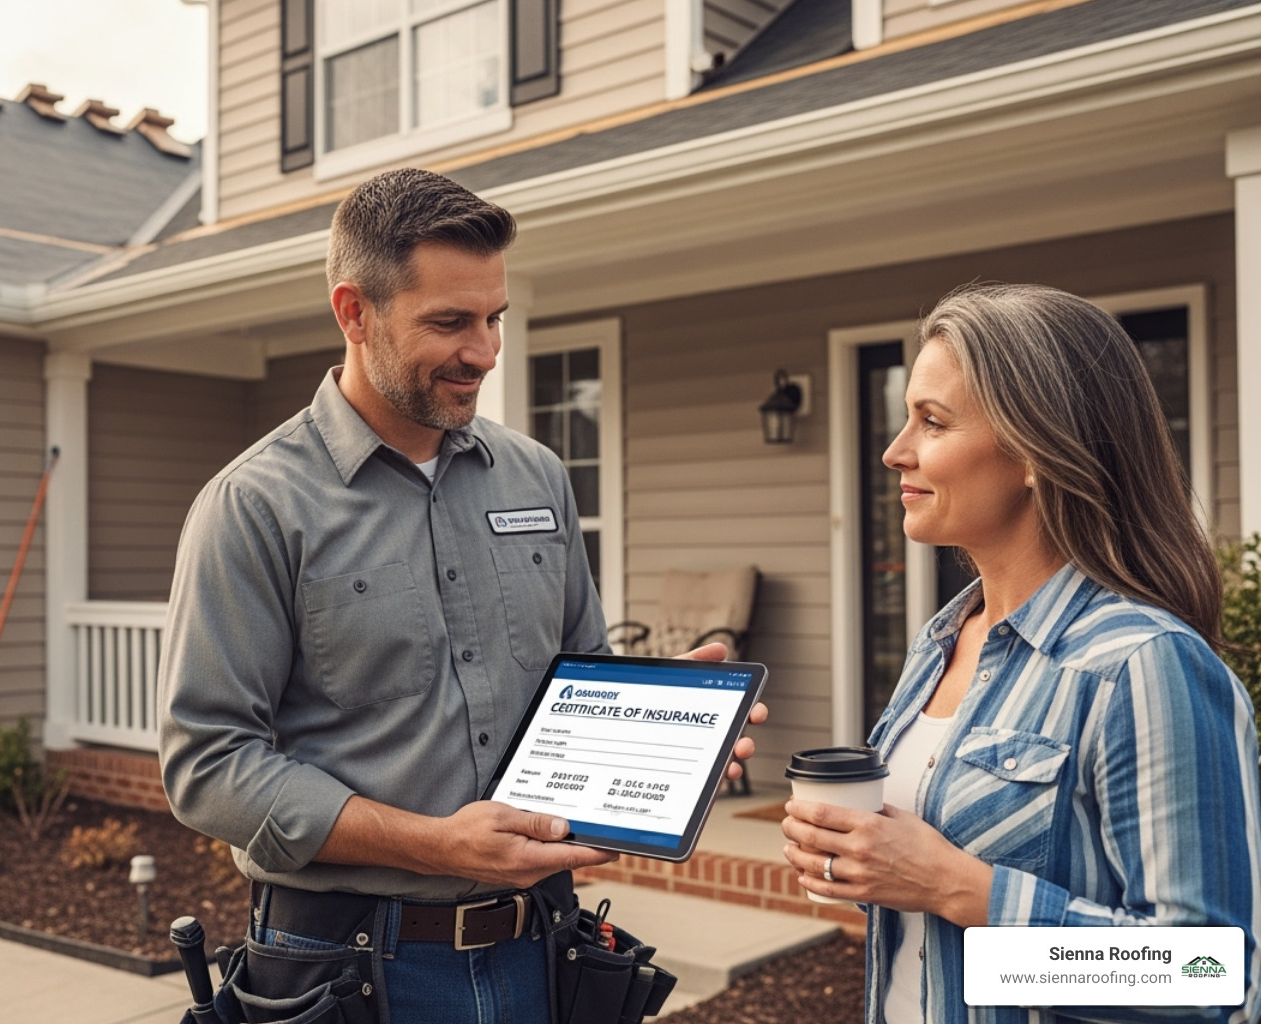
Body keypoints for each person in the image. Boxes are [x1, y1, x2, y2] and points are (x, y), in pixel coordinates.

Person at [158, 168, 764, 1024]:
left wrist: (668, 731)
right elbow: (208, 764)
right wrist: (432, 843)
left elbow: (575, 682)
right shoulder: (255, 505)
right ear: (354, 312)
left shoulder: (537, 475)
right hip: (345, 966)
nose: (482, 351)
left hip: (540, 951)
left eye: (493, 320)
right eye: (449, 322)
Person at [781, 283, 1261, 1024]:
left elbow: (1207, 975)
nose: (893, 451)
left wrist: (959, 888)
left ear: (1036, 452)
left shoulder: (1141, 665)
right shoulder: (941, 640)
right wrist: (855, 851)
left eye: (932, 422)